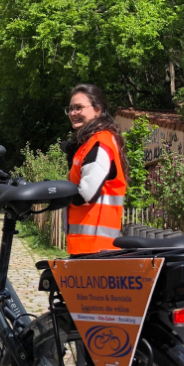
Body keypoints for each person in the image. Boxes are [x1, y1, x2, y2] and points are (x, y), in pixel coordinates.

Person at [61, 84, 129, 254]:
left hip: (96, 248)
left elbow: (85, 194)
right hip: (88, 245)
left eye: (79, 108)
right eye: (71, 109)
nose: (73, 113)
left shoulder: (100, 143)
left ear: (98, 110)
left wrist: (53, 192)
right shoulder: (89, 143)